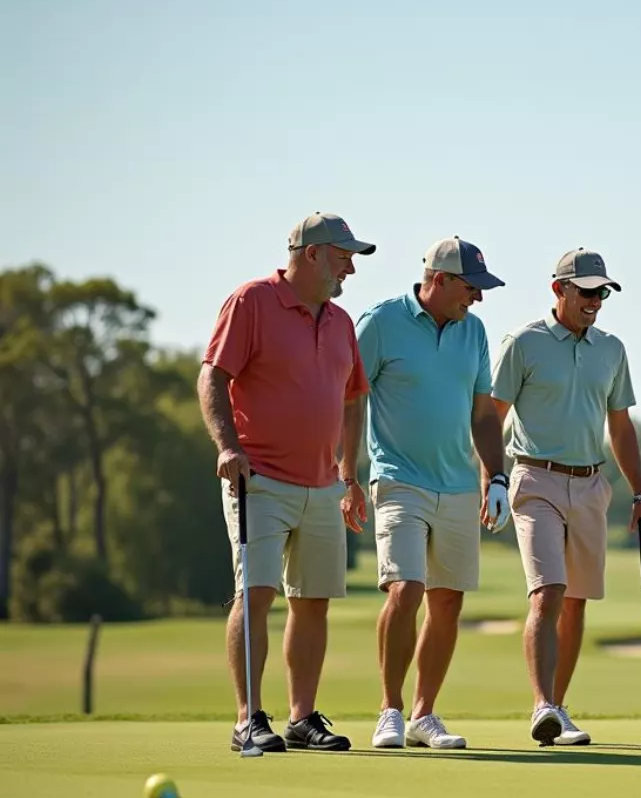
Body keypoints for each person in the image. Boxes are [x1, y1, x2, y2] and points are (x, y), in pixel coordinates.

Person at [198, 211, 376, 754]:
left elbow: (352, 399)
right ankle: (248, 719)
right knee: (256, 594)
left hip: (323, 485)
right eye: (344, 255)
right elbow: (213, 374)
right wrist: (227, 447)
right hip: (261, 479)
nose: (350, 266)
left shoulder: (341, 321)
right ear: (313, 253)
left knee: (313, 600)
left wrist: (350, 475)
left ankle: (301, 719)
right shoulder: (252, 301)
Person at [346, 236, 510, 752]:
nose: (477, 299)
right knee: (406, 588)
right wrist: (347, 474)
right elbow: (350, 397)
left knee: (448, 602)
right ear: (438, 280)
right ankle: (389, 710)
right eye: (470, 287)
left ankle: (423, 714)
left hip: (459, 484)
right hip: (398, 478)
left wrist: (497, 476)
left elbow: (484, 414)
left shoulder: (475, 331)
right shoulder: (380, 322)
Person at [491, 249, 641, 746]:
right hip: (534, 478)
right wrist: (489, 480)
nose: (595, 301)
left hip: (590, 483)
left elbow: (620, 426)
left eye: (602, 293)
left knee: (577, 601)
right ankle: (542, 704)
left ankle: (557, 711)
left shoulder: (611, 349)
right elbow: (490, 414)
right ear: (558, 289)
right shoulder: (524, 342)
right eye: (586, 292)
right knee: (548, 591)